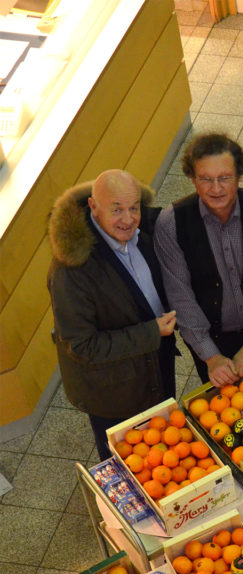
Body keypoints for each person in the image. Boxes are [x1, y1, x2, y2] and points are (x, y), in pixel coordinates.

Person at [48, 170, 177, 460]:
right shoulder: (71, 271)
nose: (128, 219)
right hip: (112, 392)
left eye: (134, 208)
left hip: (154, 366)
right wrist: (151, 333)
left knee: (167, 453)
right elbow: (81, 346)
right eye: (116, 209)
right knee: (128, 466)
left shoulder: (146, 233)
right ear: (93, 207)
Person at [154, 133, 243, 388]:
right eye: (205, 179)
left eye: (224, 178)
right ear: (192, 179)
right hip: (210, 341)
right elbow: (180, 297)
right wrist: (211, 356)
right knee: (225, 416)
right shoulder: (171, 224)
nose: (216, 189)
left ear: (239, 175)